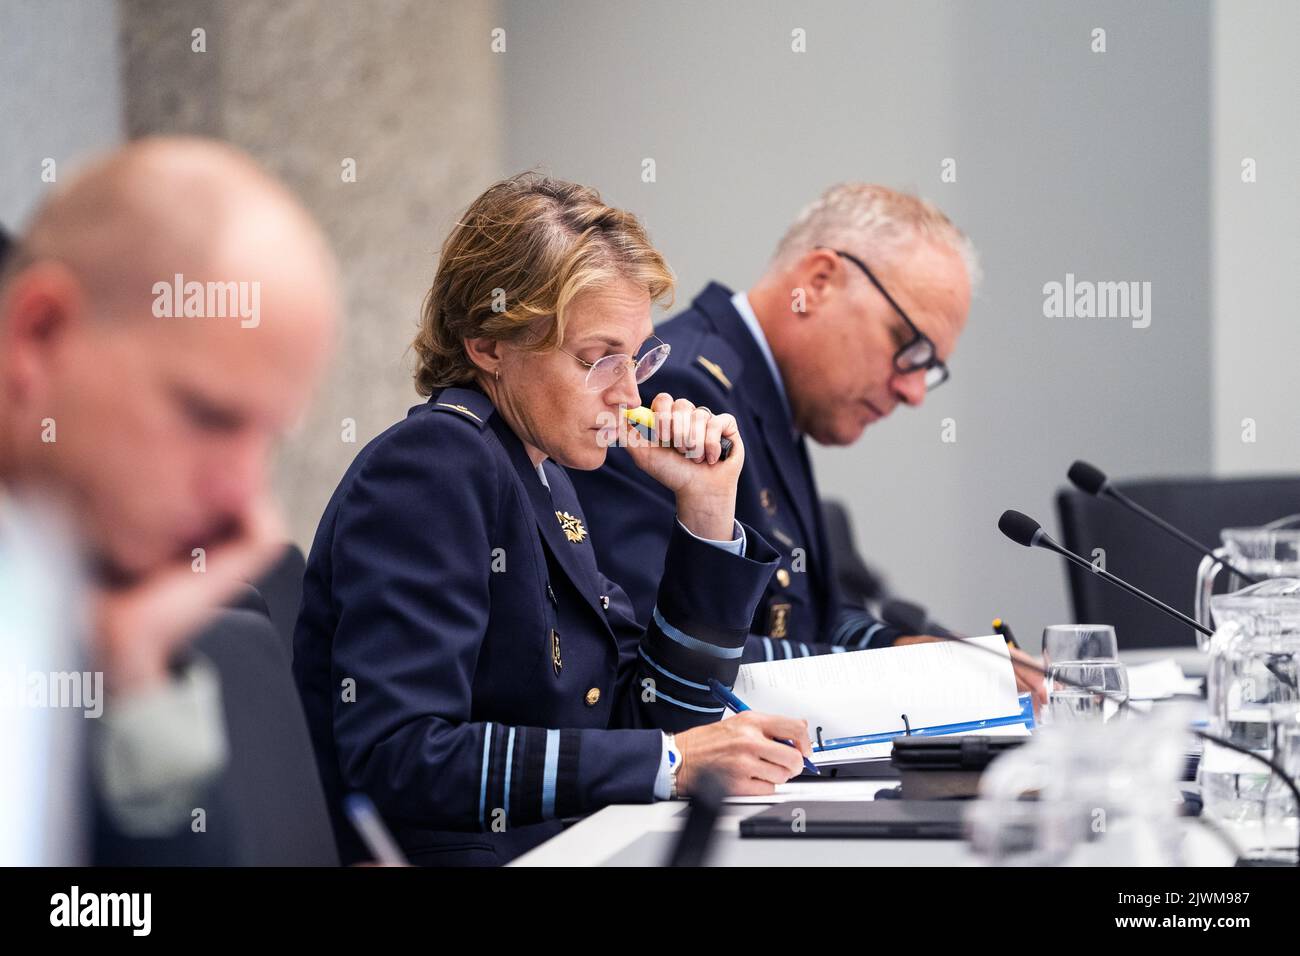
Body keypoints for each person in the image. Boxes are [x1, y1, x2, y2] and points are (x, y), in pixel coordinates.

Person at [293, 173, 814, 866]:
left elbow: (643, 709)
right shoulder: (433, 464)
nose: (631, 395)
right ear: (487, 344)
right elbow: (401, 754)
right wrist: (663, 762)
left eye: (638, 358)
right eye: (598, 359)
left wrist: (707, 509)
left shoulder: (539, 470)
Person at [0, 137, 339, 862]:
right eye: (208, 417)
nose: (242, 495)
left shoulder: (86, 583)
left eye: (267, 437)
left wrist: (136, 683)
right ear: (40, 332)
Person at [569, 183, 1045, 700]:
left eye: (928, 370)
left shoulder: (767, 391)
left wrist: (907, 648)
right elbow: (654, 650)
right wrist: (900, 673)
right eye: (909, 348)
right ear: (818, 283)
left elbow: (810, 617)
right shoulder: (682, 389)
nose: (913, 392)